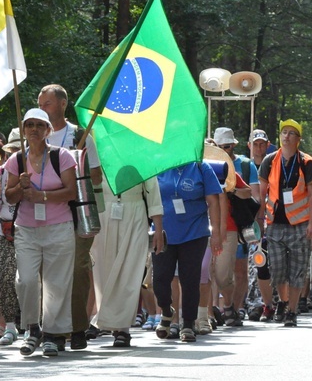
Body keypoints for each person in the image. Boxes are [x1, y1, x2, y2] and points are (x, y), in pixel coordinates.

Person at [4, 108, 78, 357]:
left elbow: (71, 192)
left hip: (59, 228)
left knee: (56, 284)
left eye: (39, 125)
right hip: (26, 229)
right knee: (24, 280)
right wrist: (20, 187)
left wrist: (42, 196)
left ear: (48, 130)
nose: (34, 129)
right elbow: (9, 197)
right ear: (23, 130)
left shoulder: (62, 156)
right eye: (29, 125)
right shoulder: (16, 161)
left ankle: (52, 335)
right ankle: (32, 328)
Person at [37, 84, 102, 350]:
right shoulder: (35, 135)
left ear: (63, 104)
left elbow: (96, 175)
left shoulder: (80, 135)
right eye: (40, 105)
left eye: (47, 104)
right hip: (45, 212)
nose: (42, 110)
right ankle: (53, 329)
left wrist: (73, 169)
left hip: (77, 211)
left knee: (77, 267)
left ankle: (77, 327)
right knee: (49, 271)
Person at [90, 175, 163, 347]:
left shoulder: (142, 155)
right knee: (104, 271)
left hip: (135, 212)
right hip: (103, 212)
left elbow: (153, 194)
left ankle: (122, 329)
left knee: (130, 270)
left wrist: (158, 229)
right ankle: (107, 319)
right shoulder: (99, 151)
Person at [154, 161, 222, 343]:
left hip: (194, 232)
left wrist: (216, 233)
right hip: (163, 233)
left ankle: (188, 324)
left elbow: (213, 202)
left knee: (190, 279)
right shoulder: (159, 166)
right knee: (160, 278)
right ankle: (167, 312)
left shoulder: (201, 168)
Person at [258, 119, 312, 327]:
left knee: (297, 271)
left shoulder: (306, 162)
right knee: (278, 270)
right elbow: (262, 193)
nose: (287, 136)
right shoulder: (269, 161)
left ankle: (292, 311)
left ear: (298, 139)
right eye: (284, 132)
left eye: (291, 133)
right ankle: (282, 302)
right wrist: (260, 221)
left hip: (299, 223)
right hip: (274, 223)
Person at [212, 126, 258, 327]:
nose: (224, 150)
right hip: (203, 228)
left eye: (227, 146)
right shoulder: (203, 166)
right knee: (205, 273)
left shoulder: (232, 169)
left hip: (230, 228)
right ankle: (209, 313)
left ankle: (229, 305)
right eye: (219, 147)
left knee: (224, 276)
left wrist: (231, 191)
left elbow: (249, 192)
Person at [0, 128, 22, 346]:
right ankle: (10, 325)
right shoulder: (1, 172)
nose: (14, 154)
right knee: (4, 277)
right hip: (3, 229)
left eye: (19, 150)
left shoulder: (38, 169)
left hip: (31, 228)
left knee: (30, 280)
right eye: (11, 150)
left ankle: (34, 323)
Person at [248, 128, 276, 321]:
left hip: (270, 220)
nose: (259, 148)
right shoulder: (244, 167)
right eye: (255, 144)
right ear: (250, 146)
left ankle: (271, 302)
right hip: (249, 221)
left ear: (267, 145)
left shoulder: (274, 167)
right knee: (254, 262)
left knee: (267, 261)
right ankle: (253, 304)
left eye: (262, 144)